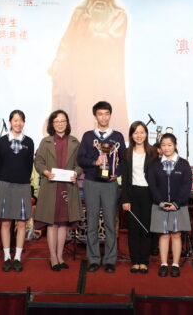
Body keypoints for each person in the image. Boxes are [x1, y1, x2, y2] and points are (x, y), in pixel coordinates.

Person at [49, 0, 129, 135]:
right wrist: (58, 61)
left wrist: (89, 28)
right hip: (81, 74)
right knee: (80, 111)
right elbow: (67, 41)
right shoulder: (79, 14)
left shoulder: (119, 15)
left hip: (105, 75)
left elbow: (112, 42)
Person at [77, 100, 127, 273]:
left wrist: (117, 172)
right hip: (91, 182)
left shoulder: (118, 136)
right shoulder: (87, 136)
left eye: (106, 114)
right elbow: (80, 159)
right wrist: (95, 162)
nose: (104, 117)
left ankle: (110, 259)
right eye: (100, 114)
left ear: (110, 115)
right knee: (91, 223)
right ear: (95, 116)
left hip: (110, 184)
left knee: (110, 223)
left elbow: (124, 161)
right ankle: (93, 259)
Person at [34, 110, 82, 271]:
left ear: (67, 123)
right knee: (52, 224)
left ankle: (60, 256)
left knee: (63, 224)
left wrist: (76, 173)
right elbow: (38, 161)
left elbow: (80, 164)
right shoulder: (46, 141)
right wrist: (45, 172)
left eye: (63, 121)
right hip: (51, 186)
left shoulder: (75, 142)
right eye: (57, 121)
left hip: (68, 187)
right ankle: (53, 257)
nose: (60, 124)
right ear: (52, 124)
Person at [0, 110, 35, 272]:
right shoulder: (1, 142)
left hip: (23, 186)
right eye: (15, 120)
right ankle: (6, 257)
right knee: (5, 223)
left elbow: (29, 166)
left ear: (24, 122)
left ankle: (17, 257)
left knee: (22, 223)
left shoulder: (29, 142)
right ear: (10, 122)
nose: (18, 123)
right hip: (4, 185)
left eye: (21, 120)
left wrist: (22, 179)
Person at [146, 133, 191, 277]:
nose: (166, 148)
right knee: (164, 235)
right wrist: (160, 202)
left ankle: (175, 264)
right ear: (160, 147)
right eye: (163, 145)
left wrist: (177, 203)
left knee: (176, 235)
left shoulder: (183, 164)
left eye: (169, 145)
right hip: (160, 205)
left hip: (179, 205)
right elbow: (152, 185)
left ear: (175, 145)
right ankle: (164, 264)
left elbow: (187, 185)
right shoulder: (155, 165)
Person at [120, 121, 158, 273]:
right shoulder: (126, 153)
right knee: (134, 229)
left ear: (146, 134)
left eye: (142, 132)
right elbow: (124, 178)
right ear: (131, 135)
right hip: (132, 193)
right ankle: (135, 261)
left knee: (146, 228)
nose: (139, 135)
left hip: (149, 194)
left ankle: (144, 261)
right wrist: (125, 199)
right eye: (136, 132)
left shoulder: (153, 153)